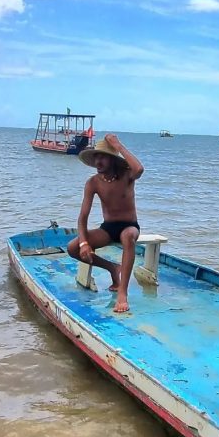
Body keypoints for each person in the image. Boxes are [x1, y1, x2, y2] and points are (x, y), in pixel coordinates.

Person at [67, 133, 144, 313]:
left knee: (127, 237)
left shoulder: (126, 175)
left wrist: (118, 145)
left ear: (112, 159)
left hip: (129, 226)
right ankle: (112, 268)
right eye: (96, 157)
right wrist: (84, 243)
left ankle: (122, 293)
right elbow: (82, 217)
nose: (98, 161)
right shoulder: (93, 183)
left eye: (103, 157)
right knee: (72, 247)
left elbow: (139, 169)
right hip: (108, 228)